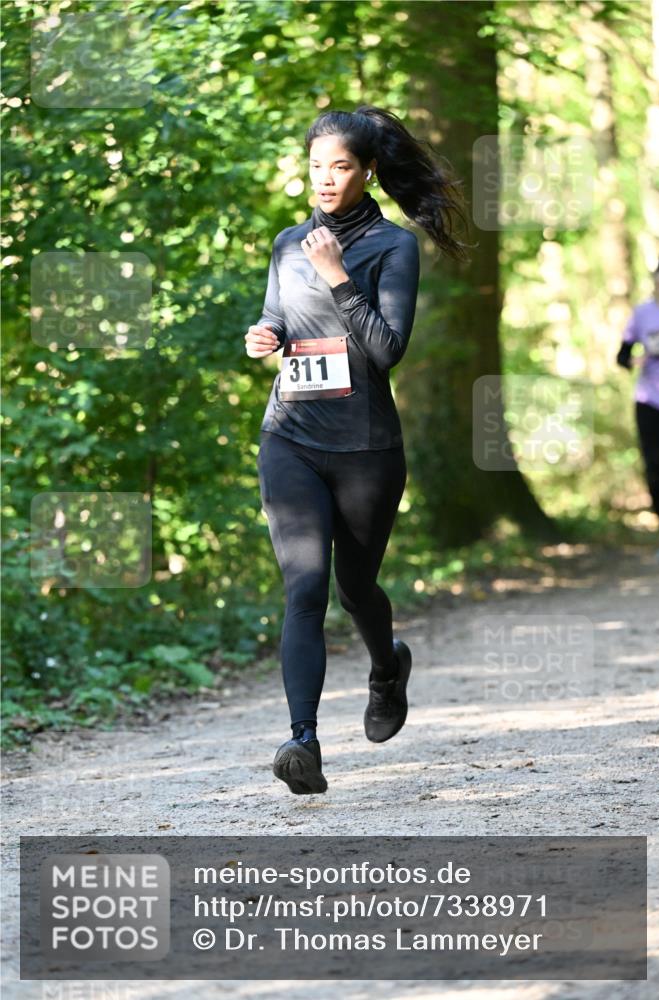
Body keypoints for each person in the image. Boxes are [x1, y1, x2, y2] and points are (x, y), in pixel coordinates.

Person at [245, 105, 468, 795]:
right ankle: (302, 743)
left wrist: (339, 277)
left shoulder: (391, 247)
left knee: (354, 589)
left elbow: (386, 350)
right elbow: (280, 320)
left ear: (367, 170)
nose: (324, 179)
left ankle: (386, 665)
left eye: (338, 167)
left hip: (365, 448)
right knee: (304, 587)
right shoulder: (288, 243)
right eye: (315, 166)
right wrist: (265, 337)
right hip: (290, 437)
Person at [616, 254, 659, 562]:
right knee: (654, 470)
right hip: (649, 401)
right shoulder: (642, 314)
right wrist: (634, 360)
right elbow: (621, 355)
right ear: (656, 280)